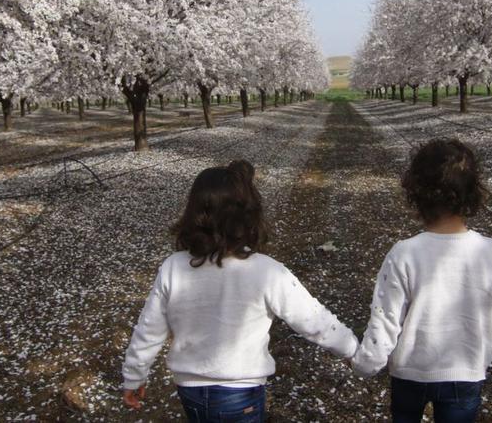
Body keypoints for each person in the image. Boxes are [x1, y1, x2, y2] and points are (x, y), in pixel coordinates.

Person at [120, 160, 358, 422]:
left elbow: (149, 329)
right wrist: (352, 349)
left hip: (189, 392)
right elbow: (313, 320)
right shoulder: (267, 271)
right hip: (240, 393)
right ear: (249, 216)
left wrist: (134, 375)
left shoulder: (173, 267)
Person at [351, 138, 492, 422]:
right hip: (465, 372)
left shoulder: (404, 253)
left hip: (409, 374)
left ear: (416, 193)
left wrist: (366, 363)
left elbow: (385, 319)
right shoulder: (490, 252)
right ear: (472, 192)